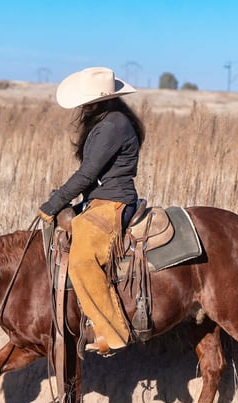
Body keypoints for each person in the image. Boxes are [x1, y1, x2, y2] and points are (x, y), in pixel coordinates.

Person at [37, 66, 146, 355]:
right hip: (100, 198)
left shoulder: (112, 125)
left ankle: (113, 333)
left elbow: (87, 174)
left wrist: (54, 204)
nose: (82, 106)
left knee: (82, 261)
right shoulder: (109, 120)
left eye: (86, 100)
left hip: (113, 202)